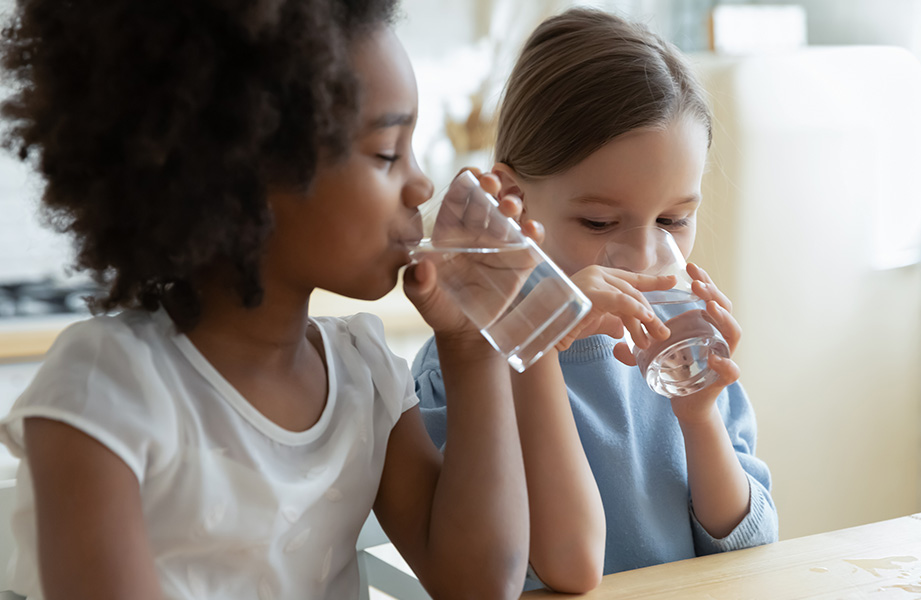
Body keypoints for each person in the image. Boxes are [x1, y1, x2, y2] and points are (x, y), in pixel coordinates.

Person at [0, 1, 533, 598]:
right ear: (244, 173)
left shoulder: (365, 374)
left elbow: (482, 584)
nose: (422, 183)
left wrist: (472, 344)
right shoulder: (109, 391)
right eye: (387, 153)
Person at [413, 7, 778, 585]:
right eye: (600, 224)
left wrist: (700, 418)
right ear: (515, 201)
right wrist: (536, 330)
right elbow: (562, 568)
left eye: (674, 219)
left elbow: (753, 551)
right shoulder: (467, 363)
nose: (643, 257)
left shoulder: (680, 355)